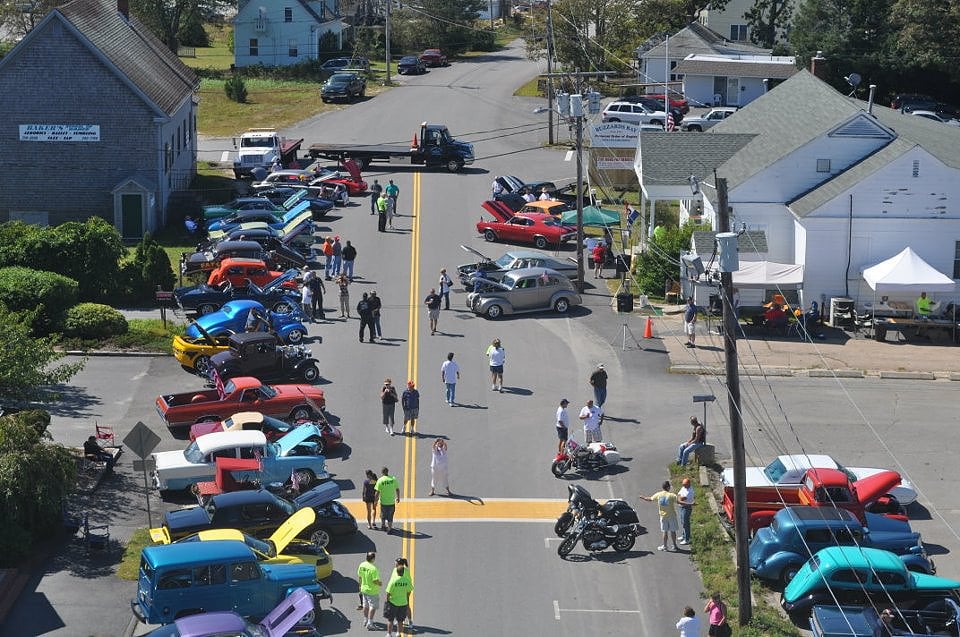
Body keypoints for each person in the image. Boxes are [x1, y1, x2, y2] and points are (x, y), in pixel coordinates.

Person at [639, 480, 680, 551]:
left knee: (665, 531)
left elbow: (650, 499)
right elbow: (679, 501)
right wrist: (689, 503)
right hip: (672, 516)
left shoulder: (658, 494)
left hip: (663, 516)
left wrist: (642, 497)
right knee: (673, 531)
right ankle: (674, 545)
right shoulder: (671, 495)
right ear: (668, 487)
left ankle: (665, 546)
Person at [384, 557, 413, 637]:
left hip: (396, 599)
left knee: (391, 619)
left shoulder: (405, 572)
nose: (395, 563)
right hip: (402, 597)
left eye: (396, 562)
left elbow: (389, 590)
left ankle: (410, 621)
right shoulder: (395, 570)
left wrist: (387, 600)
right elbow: (409, 587)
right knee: (400, 620)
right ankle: (398, 633)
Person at [357, 551, 382, 630]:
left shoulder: (362, 565)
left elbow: (360, 576)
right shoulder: (373, 569)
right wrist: (380, 583)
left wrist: (360, 586)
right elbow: (375, 581)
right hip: (372, 591)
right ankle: (370, 623)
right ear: (373, 559)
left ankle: (365, 619)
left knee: (365, 605)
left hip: (364, 589)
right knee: (372, 606)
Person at [374, 466, 399, 533]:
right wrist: (398, 497)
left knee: (383, 515)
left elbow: (377, 493)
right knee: (390, 516)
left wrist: (375, 502)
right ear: (388, 472)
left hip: (383, 502)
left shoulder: (380, 480)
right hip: (391, 502)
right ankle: (389, 529)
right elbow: (397, 489)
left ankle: (383, 526)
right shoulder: (393, 479)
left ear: (382, 472)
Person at [677, 478, 695, 545]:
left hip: (686, 508)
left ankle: (687, 539)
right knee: (683, 522)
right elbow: (679, 495)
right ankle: (684, 535)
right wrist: (679, 499)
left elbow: (681, 500)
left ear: (689, 484)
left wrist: (679, 499)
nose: (683, 486)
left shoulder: (690, 492)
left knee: (686, 523)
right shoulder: (684, 487)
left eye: (685, 485)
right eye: (683, 484)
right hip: (682, 507)